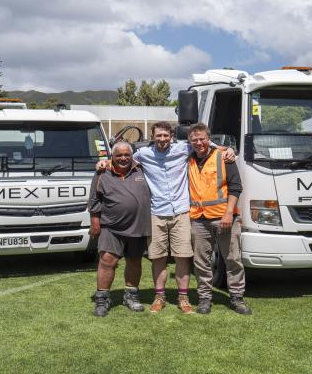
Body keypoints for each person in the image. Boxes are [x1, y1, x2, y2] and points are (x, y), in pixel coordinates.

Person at [97, 121, 234, 314]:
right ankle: (159, 297)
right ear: (152, 137)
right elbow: (123, 159)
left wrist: (228, 150)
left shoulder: (183, 149)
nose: (162, 139)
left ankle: (183, 298)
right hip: (156, 213)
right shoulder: (143, 154)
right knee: (158, 258)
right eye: (158, 136)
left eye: (166, 135)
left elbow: (204, 144)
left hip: (181, 212)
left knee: (182, 258)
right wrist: (105, 162)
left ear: (172, 136)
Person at [187, 123, 251, 315]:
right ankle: (205, 298)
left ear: (209, 139)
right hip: (198, 219)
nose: (199, 143)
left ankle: (237, 298)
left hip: (224, 217)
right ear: (190, 142)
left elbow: (235, 187)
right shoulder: (187, 160)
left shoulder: (224, 157)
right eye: (194, 140)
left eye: (202, 139)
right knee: (201, 262)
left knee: (232, 259)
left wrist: (228, 214)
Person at [88, 142, 151, 317]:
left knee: (134, 261)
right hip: (111, 227)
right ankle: (102, 299)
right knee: (107, 261)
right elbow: (94, 199)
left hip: (138, 226)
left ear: (132, 156)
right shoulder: (102, 172)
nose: (123, 158)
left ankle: (130, 296)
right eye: (118, 155)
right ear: (112, 157)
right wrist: (95, 222)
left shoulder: (142, 169)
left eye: (126, 155)